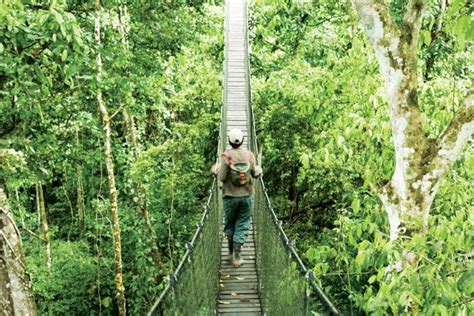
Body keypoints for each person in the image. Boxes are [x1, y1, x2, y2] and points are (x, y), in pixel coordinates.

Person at [211, 129, 262, 267]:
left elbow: (221, 177)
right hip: (247, 196)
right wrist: (258, 170)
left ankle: (230, 252)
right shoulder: (249, 155)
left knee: (230, 223)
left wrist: (215, 169)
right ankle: (237, 255)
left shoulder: (226, 156)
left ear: (228, 141)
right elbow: (255, 174)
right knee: (243, 224)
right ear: (243, 140)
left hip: (229, 197)